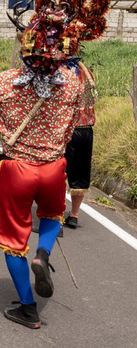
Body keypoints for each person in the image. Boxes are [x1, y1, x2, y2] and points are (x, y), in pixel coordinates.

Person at [0, 0, 110, 329]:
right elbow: (75, 124)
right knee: (51, 215)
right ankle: (43, 254)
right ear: (61, 50)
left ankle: (28, 309)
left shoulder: (1, 83)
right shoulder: (75, 84)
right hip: (54, 168)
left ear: (25, 45)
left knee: (13, 242)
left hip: (17, 170)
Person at [63, 58, 97, 228]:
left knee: (58, 173)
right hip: (86, 129)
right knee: (80, 174)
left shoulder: (60, 72)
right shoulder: (87, 71)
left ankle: (54, 213)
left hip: (67, 129)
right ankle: (74, 215)